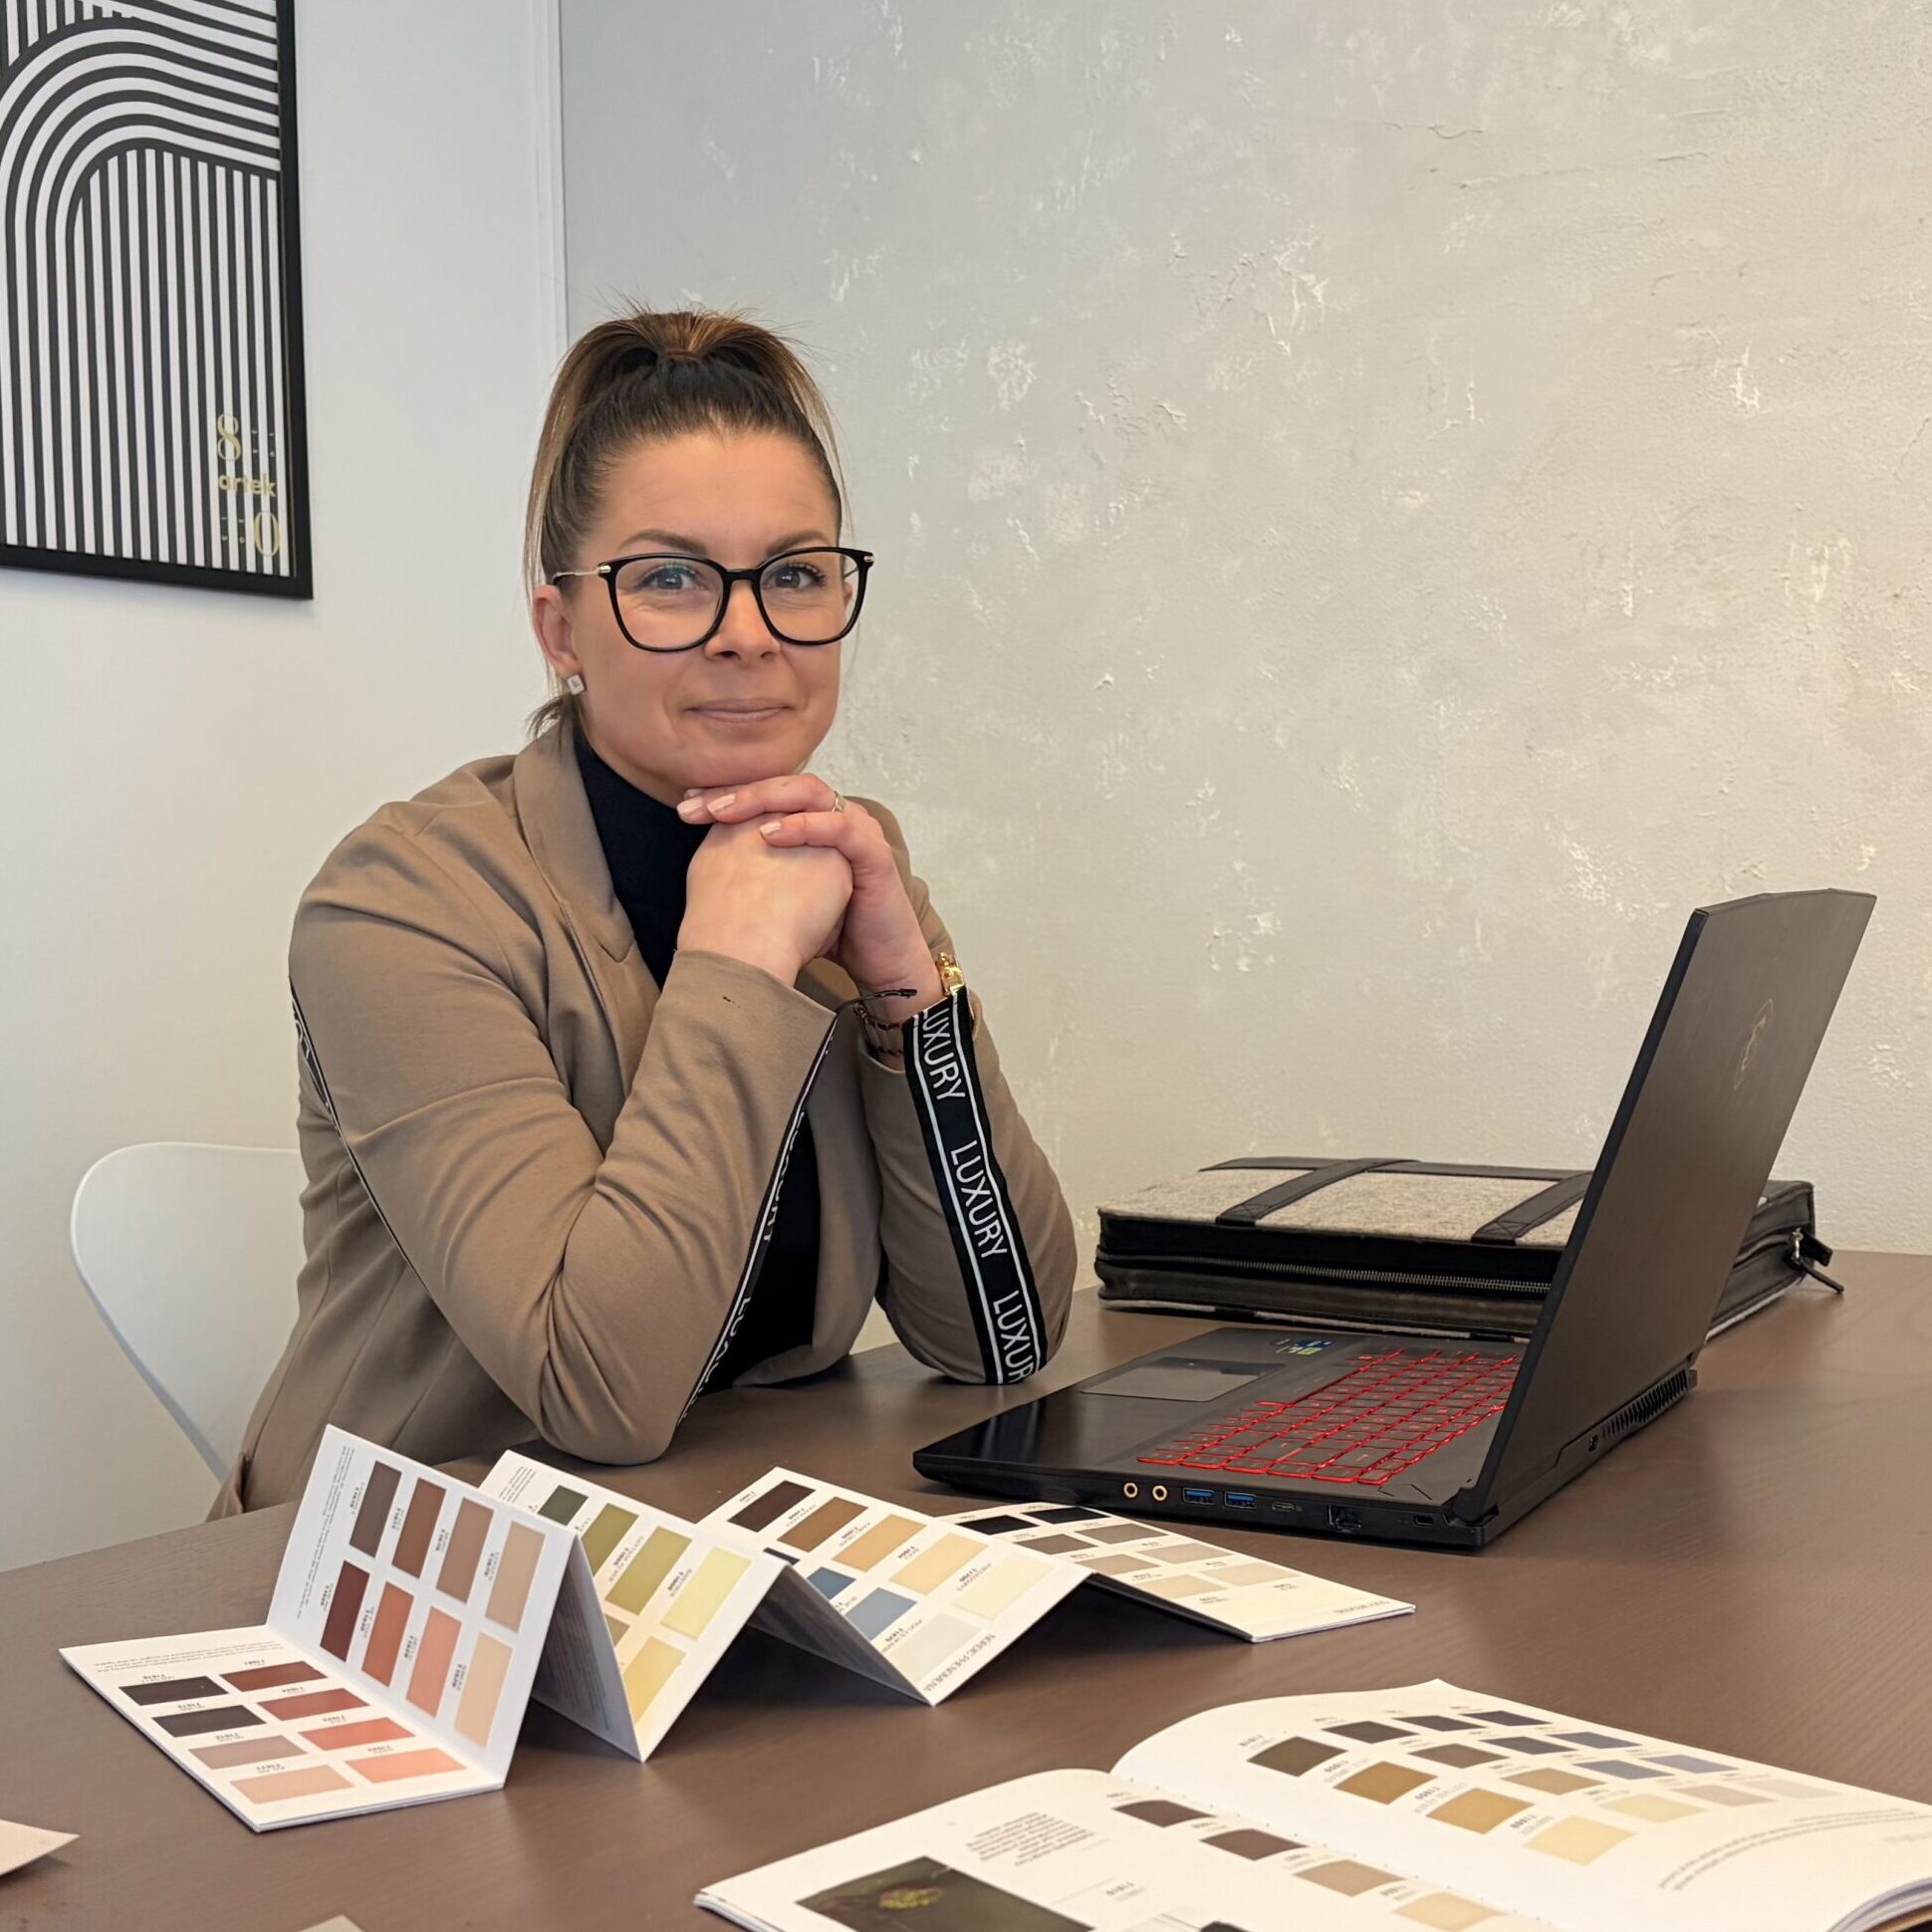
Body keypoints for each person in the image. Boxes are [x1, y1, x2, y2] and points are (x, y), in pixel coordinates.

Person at [216, 307, 1077, 1514]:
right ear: (560, 629)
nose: (747, 634)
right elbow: (600, 1388)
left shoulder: (835, 857)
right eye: (670, 578)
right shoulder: (401, 901)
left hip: (718, 1526)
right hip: (407, 1565)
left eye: (794, 574)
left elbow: (1002, 1337)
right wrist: (738, 966)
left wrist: (908, 1001)